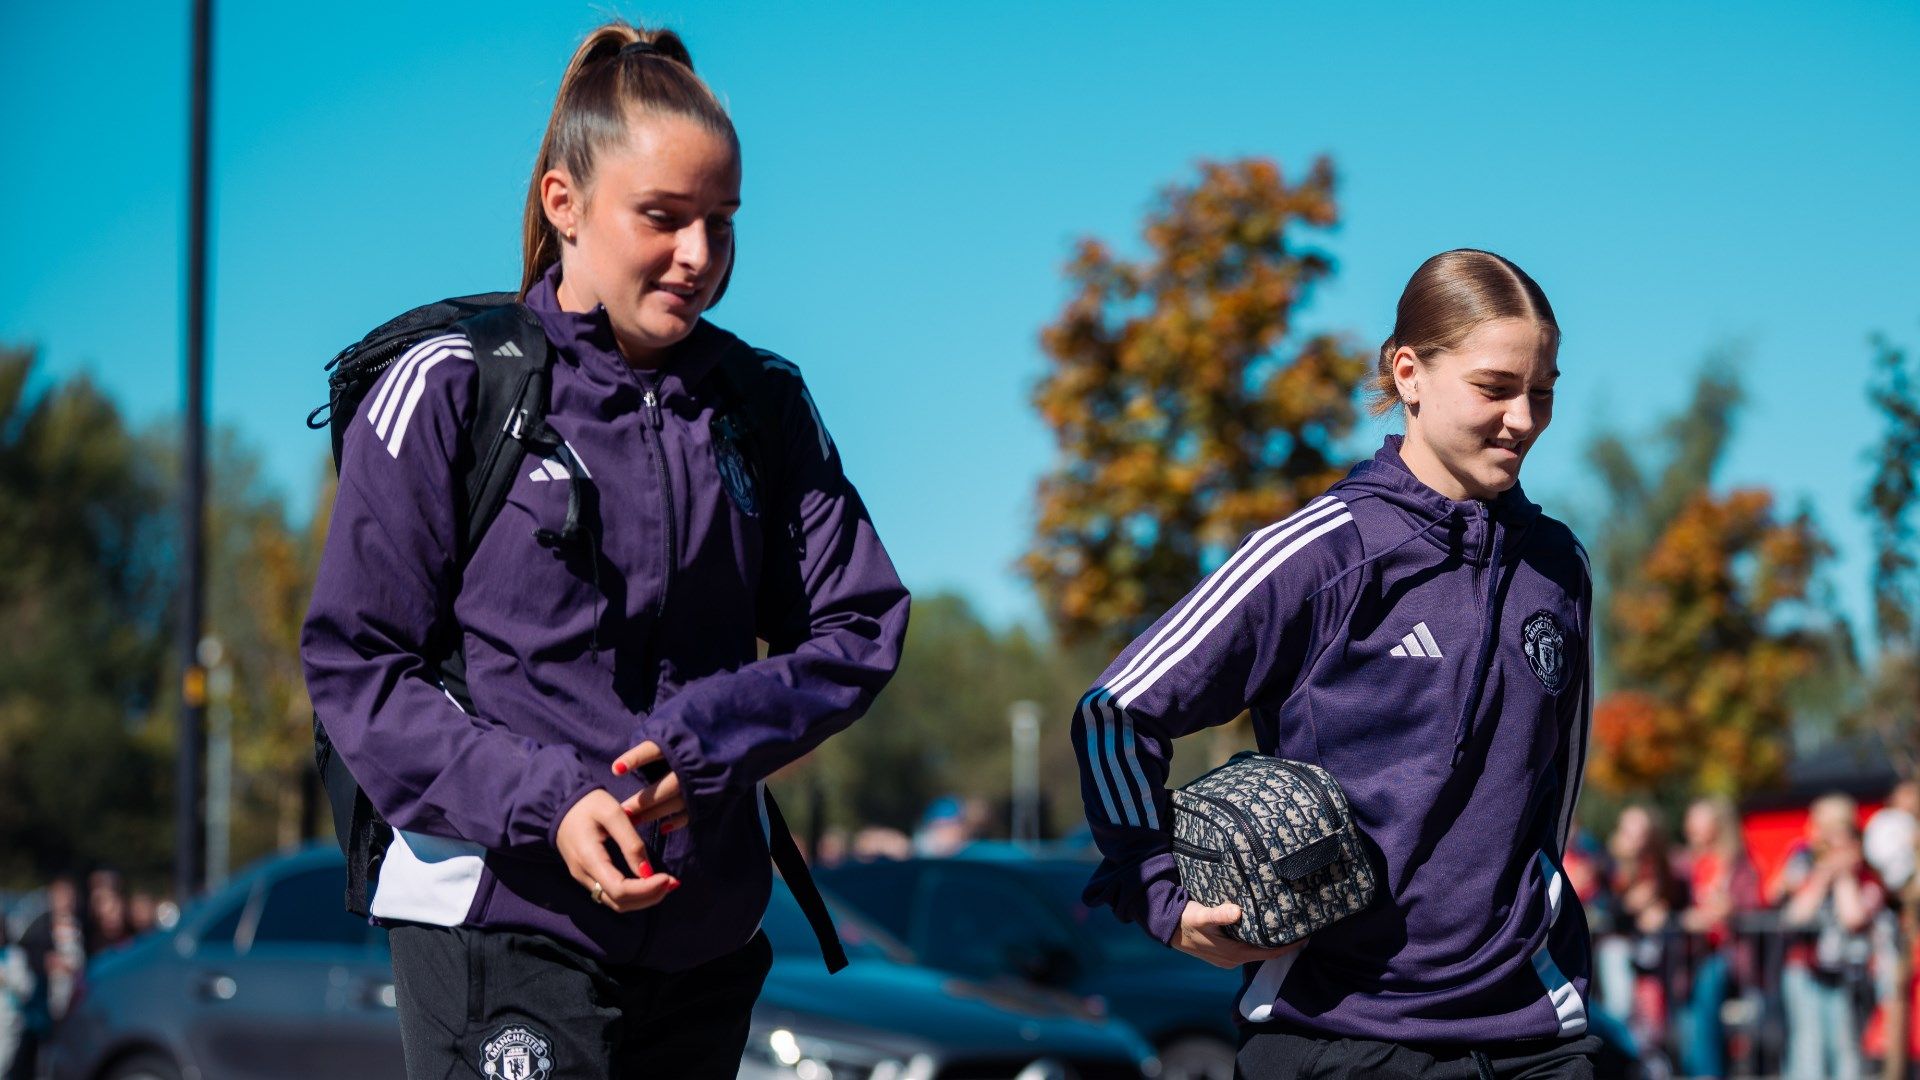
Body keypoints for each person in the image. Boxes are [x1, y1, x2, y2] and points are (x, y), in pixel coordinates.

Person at [301, 21, 910, 1079]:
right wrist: (551, 804)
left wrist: (710, 742)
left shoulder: (762, 406)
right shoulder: (450, 384)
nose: (699, 256)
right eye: (663, 219)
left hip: (706, 941)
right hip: (497, 924)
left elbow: (860, 625)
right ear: (564, 203)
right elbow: (358, 666)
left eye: (722, 223)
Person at [1070, 249, 1600, 1077]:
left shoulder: (1558, 566)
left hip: (1535, 1038)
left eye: (1544, 392)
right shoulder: (1322, 552)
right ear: (1409, 373)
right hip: (1337, 1036)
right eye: (1496, 389)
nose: (1524, 419)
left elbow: (1552, 792)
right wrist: (1162, 895)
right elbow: (1115, 711)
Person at [1771, 794, 1885, 1080]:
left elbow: (1853, 917)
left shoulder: (1866, 876)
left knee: (1846, 1046)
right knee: (1808, 1046)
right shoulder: (1804, 862)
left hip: (1849, 975)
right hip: (1805, 969)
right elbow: (1796, 915)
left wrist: (1844, 875)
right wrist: (1823, 875)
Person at [1671, 795, 1759, 1079]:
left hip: (1726, 954)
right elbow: (1674, 903)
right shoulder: (1684, 864)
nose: (1692, 827)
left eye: (1700, 820)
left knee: (1707, 994)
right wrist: (1690, 918)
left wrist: (1728, 909)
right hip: (1690, 955)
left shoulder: (1736, 862)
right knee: (1689, 1023)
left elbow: (1752, 901)